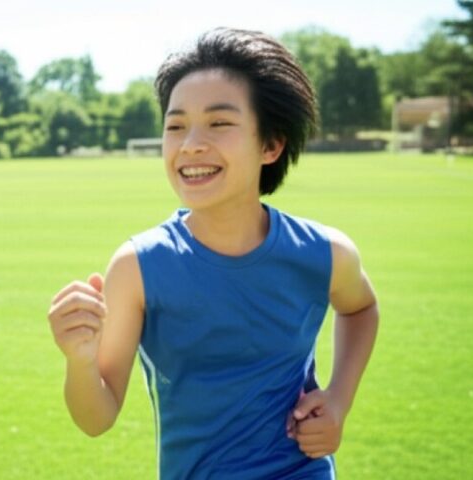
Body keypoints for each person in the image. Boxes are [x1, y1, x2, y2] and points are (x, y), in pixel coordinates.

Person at [47, 27, 378, 479]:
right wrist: (79, 360)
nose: (190, 144)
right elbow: (96, 417)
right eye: (176, 125)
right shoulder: (139, 266)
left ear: (271, 145)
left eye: (219, 123)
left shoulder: (323, 252)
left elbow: (361, 307)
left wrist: (338, 400)